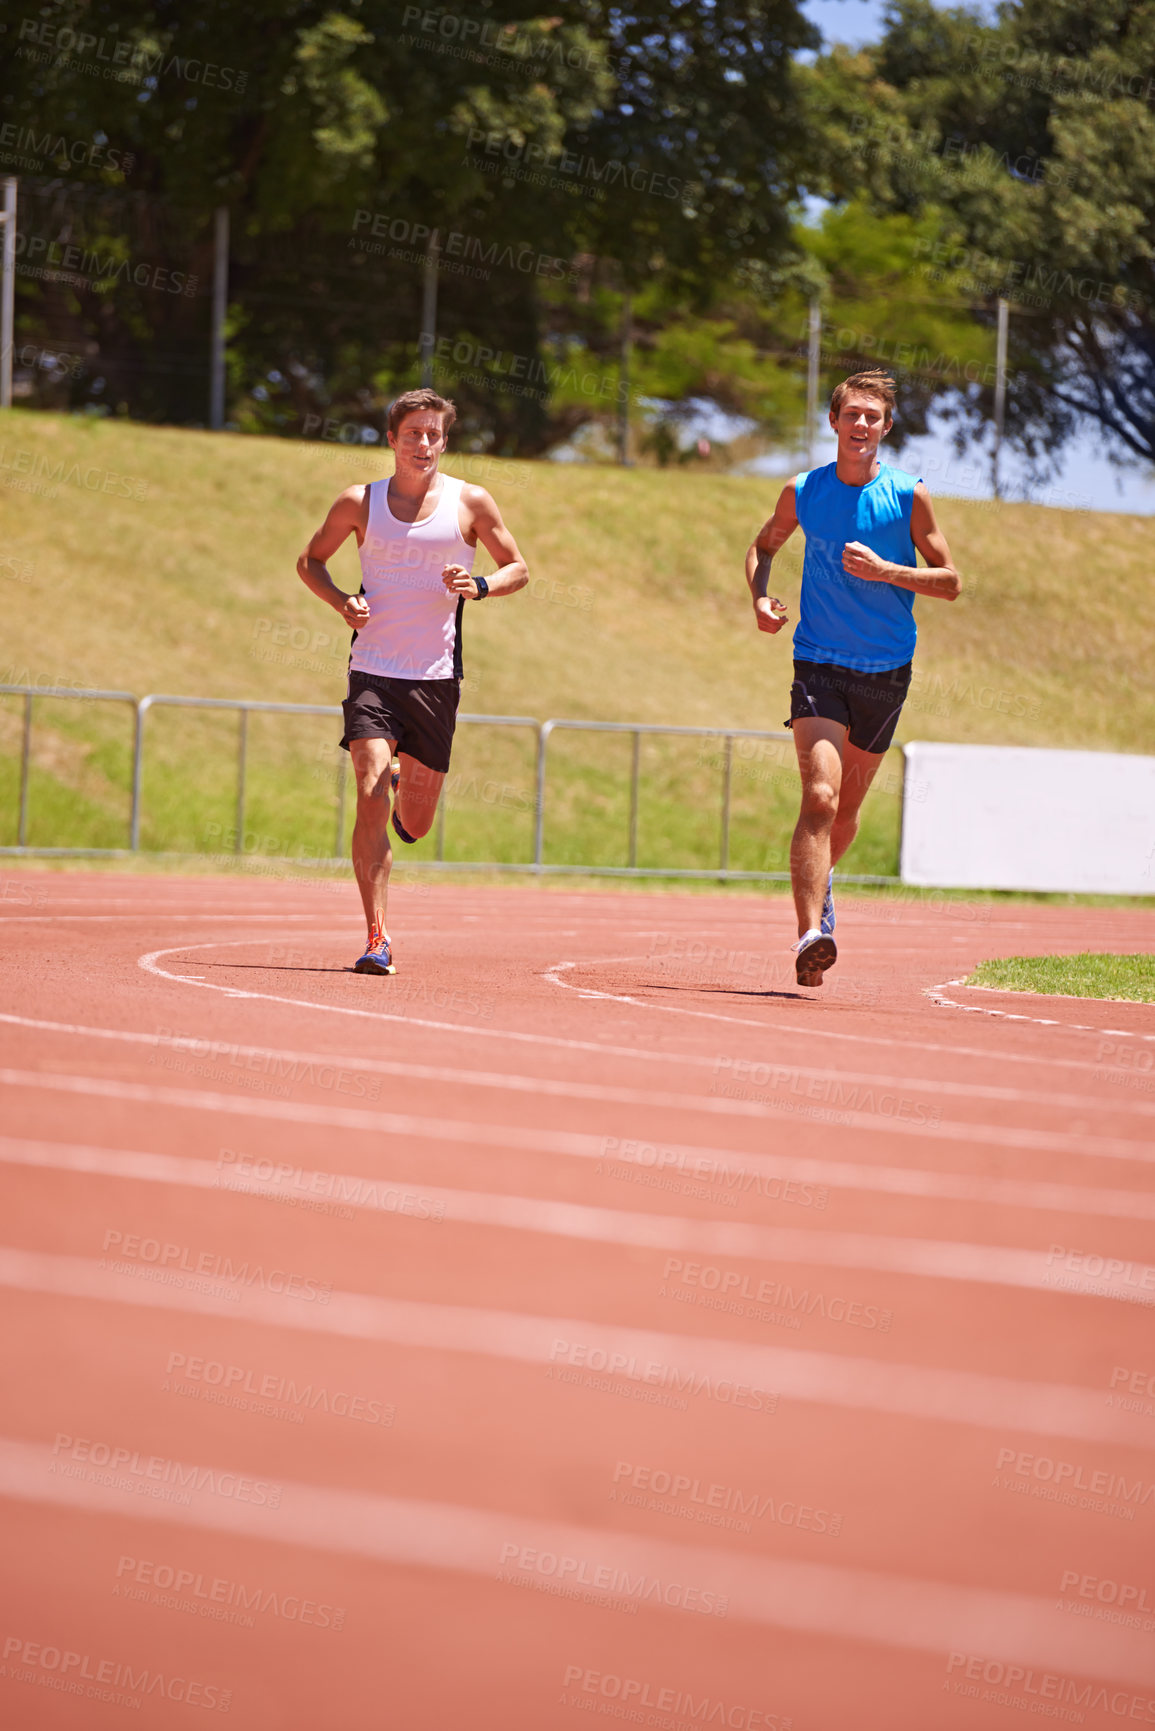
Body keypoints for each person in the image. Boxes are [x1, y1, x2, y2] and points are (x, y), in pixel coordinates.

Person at [297, 387, 528, 974]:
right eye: (413, 433)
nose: (423, 443)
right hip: (372, 669)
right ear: (393, 439)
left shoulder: (470, 502)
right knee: (368, 791)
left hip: (435, 678)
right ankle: (377, 937)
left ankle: (408, 780)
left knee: (415, 825)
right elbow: (310, 561)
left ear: (444, 441)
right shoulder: (358, 502)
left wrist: (478, 586)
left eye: (433, 434)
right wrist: (342, 601)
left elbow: (518, 568)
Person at [744, 369, 961, 988]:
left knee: (847, 812)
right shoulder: (804, 490)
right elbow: (764, 546)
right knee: (820, 796)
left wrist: (890, 570)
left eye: (873, 416)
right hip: (817, 661)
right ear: (834, 422)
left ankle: (824, 883)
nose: (861, 425)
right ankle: (811, 933)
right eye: (851, 414)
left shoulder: (908, 495)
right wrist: (760, 598)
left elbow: (951, 583)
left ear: (886, 427)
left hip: (885, 672)